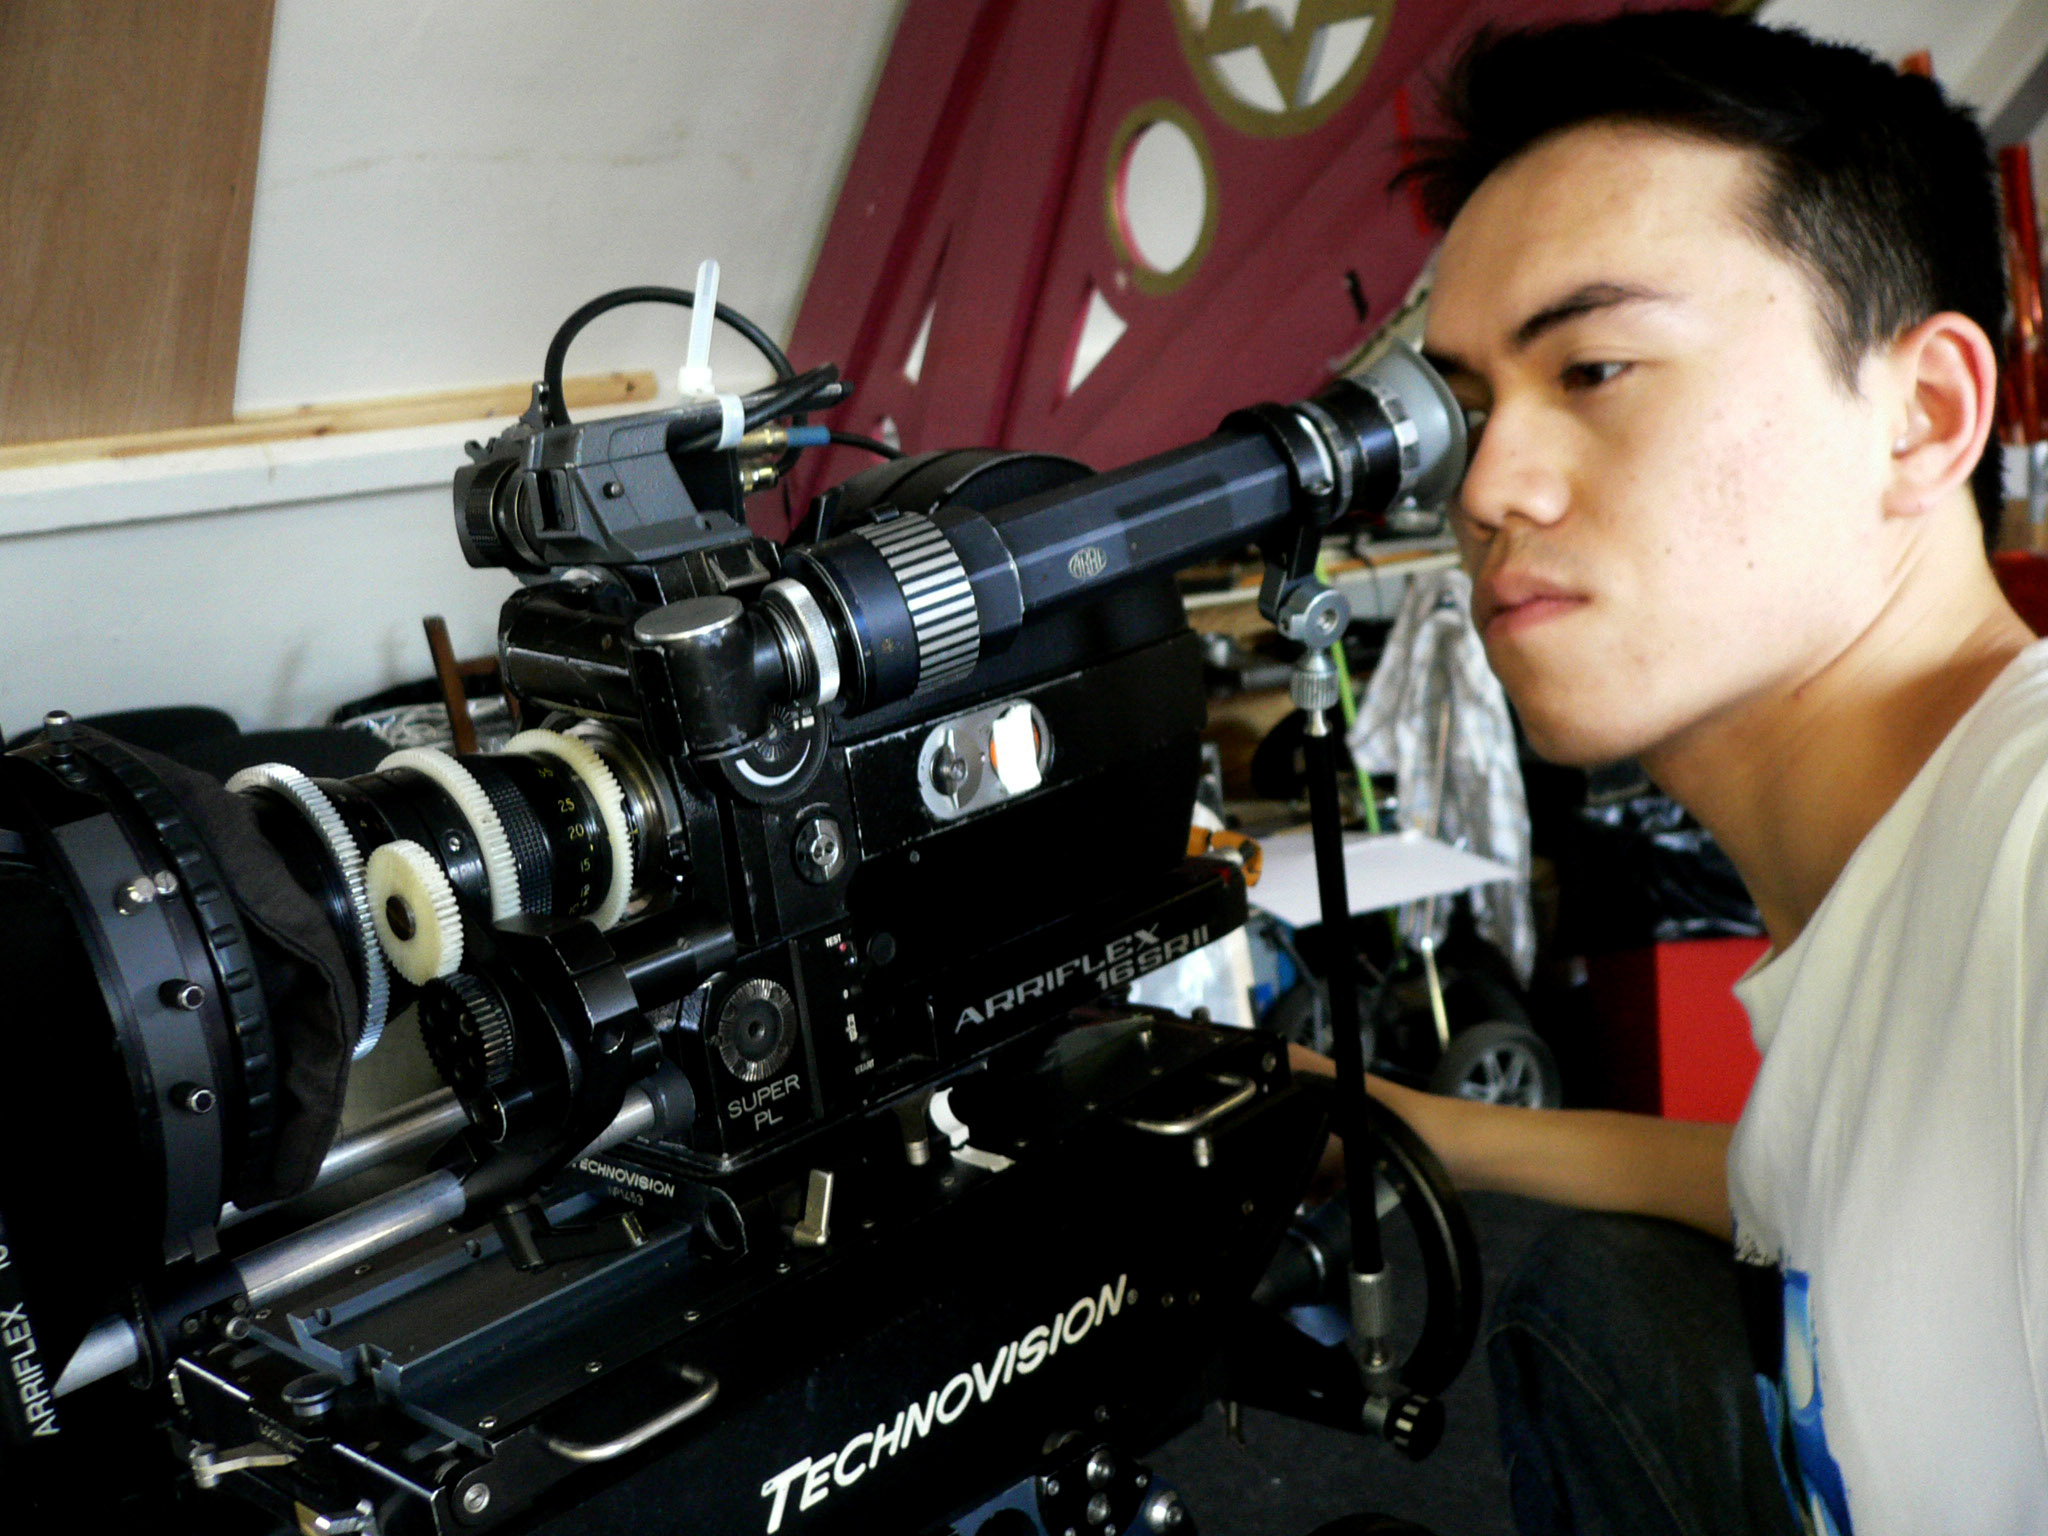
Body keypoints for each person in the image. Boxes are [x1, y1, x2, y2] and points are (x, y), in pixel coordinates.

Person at [1291, 12, 2045, 1534]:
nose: (1488, 488)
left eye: (1596, 366)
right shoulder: (1895, 917)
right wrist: (1420, 1126)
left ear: (1926, 416)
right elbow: (1792, 1178)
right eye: (1470, 410)